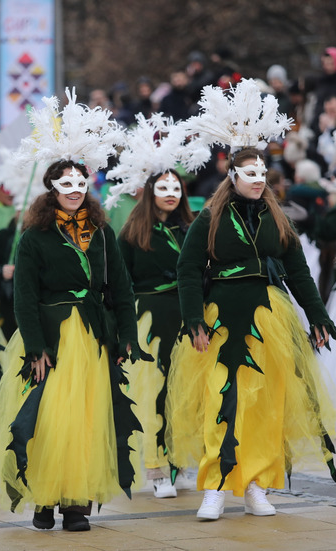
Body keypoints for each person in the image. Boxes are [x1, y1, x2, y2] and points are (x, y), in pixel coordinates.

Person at [167, 147, 336, 521]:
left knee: (264, 406)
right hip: (222, 321)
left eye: (263, 173)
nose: (259, 180)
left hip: (269, 319)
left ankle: (255, 486)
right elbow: (188, 268)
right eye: (250, 174)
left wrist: (318, 317)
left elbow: (299, 273)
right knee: (222, 400)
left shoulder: (277, 219)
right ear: (233, 177)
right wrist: (193, 320)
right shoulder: (210, 217)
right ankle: (215, 486)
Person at [0, 159, 146, 531]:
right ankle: (45, 496)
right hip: (53, 340)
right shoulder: (33, 238)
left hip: (93, 338)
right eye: (66, 184)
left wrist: (126, 335)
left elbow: (121, 287)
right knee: (50, 418)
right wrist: (35, 348)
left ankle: (75, 504)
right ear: (52, 188)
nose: (74, 190)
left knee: (87, 418)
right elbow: (23, 297)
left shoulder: (103, 234)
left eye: (80, 183)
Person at [117, 169, 197, 498]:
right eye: (162, 187)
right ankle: (156, 468)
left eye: (176, 187)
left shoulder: (191, 229)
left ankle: (181, 461)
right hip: (150, 319)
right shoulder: (133, 232)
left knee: (187, 391)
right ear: (149, 191)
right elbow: (121, 284)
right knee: (152, 394)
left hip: (187, 318)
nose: (170, 192)